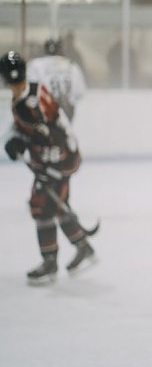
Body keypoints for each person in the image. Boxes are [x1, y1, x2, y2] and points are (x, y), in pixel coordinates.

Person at [1, 50, 96, 284]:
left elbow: (55, 135)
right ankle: (82, 246)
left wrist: (51, 170)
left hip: (60, 161)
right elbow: (32, 129)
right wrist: (16, 140)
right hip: (53, 160)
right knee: (56, 205)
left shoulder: (33, 102)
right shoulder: (28, 93)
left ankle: (50, 261)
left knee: (41, 206)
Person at [26, 37, 87, 121]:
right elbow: (79, 92)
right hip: (67, 109)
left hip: (45, 108)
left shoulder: (36, 64)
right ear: (60, 49)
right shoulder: (71, 65)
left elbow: (30, 91)